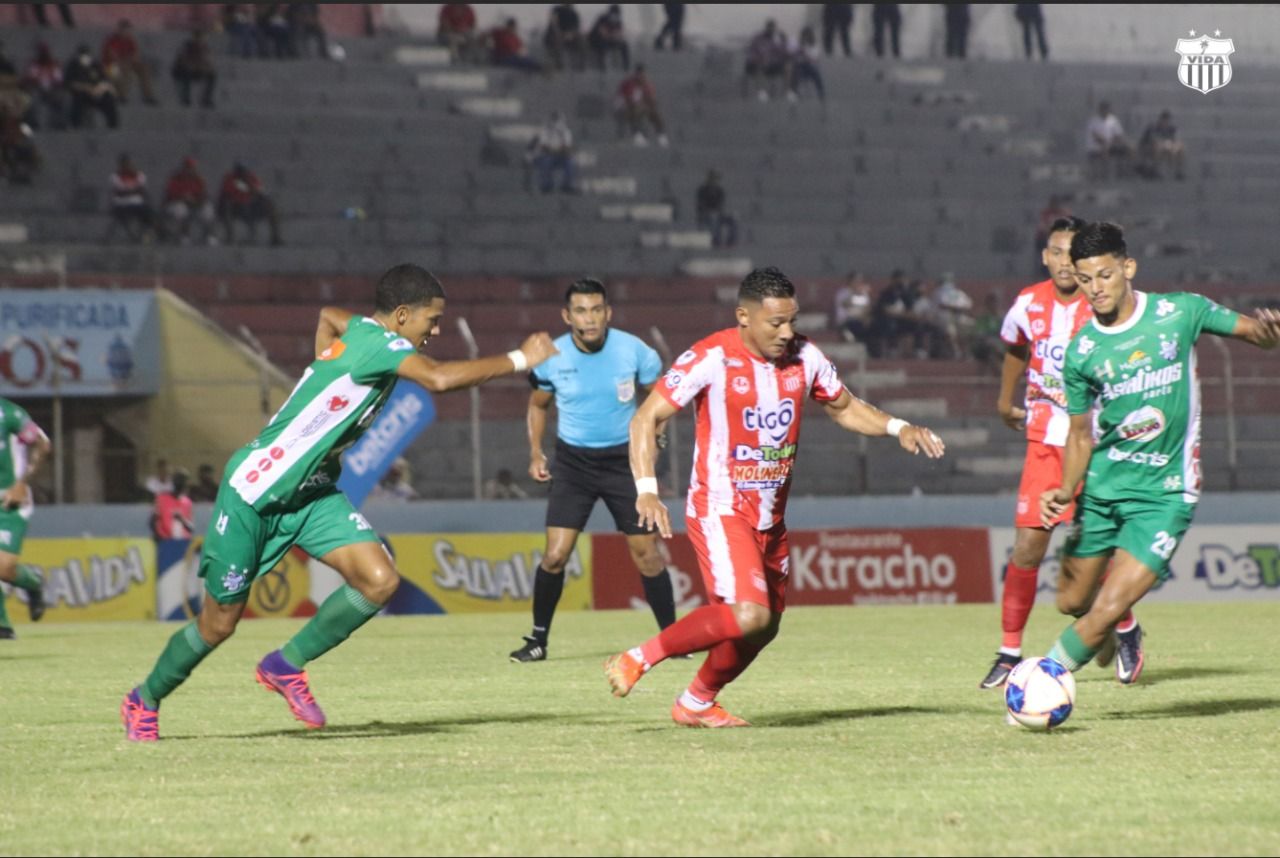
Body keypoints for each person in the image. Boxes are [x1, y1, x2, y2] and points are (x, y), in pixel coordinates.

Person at [121, 263, 559, 741]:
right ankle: (144, 698)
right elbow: (437, 380)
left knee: (379, 580)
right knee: (218, 625)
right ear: (402, 315)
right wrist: (521, 357)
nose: (435, 331)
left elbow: (329, 316)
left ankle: (285, 665)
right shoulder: (383, 345)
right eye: (431, 321)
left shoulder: (362, 332)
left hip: (310, 493)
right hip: (254, 495)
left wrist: (325, 383)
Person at [603, 267, 945, 727]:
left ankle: (696, 702)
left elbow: (844, 407)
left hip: (771, 518)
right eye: (776, 323)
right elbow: (645, 418)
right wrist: (646, 491)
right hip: (721, 507)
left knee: (764, 626)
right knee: (748, 614)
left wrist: (898, 427)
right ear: (743, 316)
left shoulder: (805, 356)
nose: (787, 332)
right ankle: (638, 658)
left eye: (792, 321)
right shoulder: (712, 357)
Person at [1038, 223, 1280, 690]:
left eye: (1105, 275)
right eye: (1085, 280)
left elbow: (1256, 333)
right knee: (1072, 602)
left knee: (1104, 608)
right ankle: (1115, 630)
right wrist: (1065, 489)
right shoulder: (1082, 351)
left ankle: (1039, 683)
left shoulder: (1181, 311)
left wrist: (1269, 335)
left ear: (1128, 267)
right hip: (1104, 487)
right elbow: (1080, 435)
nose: (1095, 288)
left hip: (1166, 494)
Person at [979, 216, 1144, 689]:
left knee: (1091, 556)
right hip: (1043, 442)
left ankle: (1126, 628)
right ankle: (1009, 652)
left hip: (1095, 443)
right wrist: (1004, 400)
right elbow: (1016, 347)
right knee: (1027, 548)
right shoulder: (1028, 303)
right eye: (1055, 252)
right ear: (1045, 256)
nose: (1064, 262)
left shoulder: (1103, 305)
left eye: (1072, 254)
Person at [510, 279, 673, 663]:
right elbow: (537, 405)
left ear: (608, 313)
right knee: (555, 555)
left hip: (624, 463)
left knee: (647, 554)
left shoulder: (635, 351)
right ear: (567, 316)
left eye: (597, 309)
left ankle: (672, 640)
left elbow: (661, 399)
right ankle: (537, 641)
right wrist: (535, 452)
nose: (590, 318)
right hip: (573, 465)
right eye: (581, 311)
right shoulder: (551, 356)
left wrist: (656, 440)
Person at [0, 398, 50, 641]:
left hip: (10, 502)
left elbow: (42, 443)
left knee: (4, 568)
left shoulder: (9, 413)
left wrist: (21, 483)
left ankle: (34, 583)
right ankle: (2, 624)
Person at [218, 162, 282, 246]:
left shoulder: (252, 178)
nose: (241, 174)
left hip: (252, 206)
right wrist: (241, 187)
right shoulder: (230, 179)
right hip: (236, 207)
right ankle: (230, 236)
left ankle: (275, 237)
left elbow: (259, 191)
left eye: (243, 172)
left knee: (270, 205)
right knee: (226, 205)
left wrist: (250, 186)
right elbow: (226, 193)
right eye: (239, 172)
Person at [101, 19, 158, 106]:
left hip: (126, 63)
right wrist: (128, 60)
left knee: (144, 68)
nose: (126, 32)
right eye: (124, 29)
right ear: (119, 30)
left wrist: (132, 60)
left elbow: (136, 55)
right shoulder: (112, 40)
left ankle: (148, 96)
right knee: (125, 70)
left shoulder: (130, 41)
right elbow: (113, 57)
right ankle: (121, 95)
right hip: (110, 66)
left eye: (128, 30)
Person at [163, 156, 217, 245]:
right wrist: (183, 197)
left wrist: (196, 200)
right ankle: (183, 235)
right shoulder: (176, 178)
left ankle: (209, 235)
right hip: (177, 203)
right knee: (180, 210)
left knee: (207, 211)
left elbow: (204, 195)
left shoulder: (198, 179)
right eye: (187, 167)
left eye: (191, 167)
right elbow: (170, 194)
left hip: (195, 204)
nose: (189, 170)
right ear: (183, 168)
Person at [64, 44, 119, 130]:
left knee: (108, 99)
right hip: (80, 93)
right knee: (77, 101)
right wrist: (85, 87)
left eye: (87, 54)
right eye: (83, 55)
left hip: (96, 92)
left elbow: (104, 80)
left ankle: (113, 125)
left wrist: (100, 88)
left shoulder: (95, 65)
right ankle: (75, 125)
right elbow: (69, 82)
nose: (85, 57)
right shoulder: (73, 65)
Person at [108, 154, 156, 243]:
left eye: (128, 163)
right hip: (121, 204)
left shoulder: (139, 175)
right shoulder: (115, 176)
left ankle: (144, 235)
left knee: (149, 213)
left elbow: (142, 190)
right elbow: (120, 191)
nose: (127, 166)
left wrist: (130, 190)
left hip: (137, 204)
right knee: (122, 215)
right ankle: (135, 236)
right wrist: (133, 190)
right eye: (124, 164)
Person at [615, 65, 668, 147]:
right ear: (636, 74)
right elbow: (624, 98)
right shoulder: (629, 84)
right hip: (627, 108)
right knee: (636, 110)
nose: (641, 76)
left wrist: (652, 102)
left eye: (643, 74)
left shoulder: (647, 85)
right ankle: (637, 135)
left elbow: (651, 98)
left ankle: (661, 135)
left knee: (655, 113)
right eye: (639, 74)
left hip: (642, 107)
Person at [20, 42, 68, 131]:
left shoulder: (54, 64)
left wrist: (53, 86)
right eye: (42, 53)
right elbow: (28, 78)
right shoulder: (34, 64)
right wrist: (36, 83)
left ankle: (61, 122)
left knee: (64, 97)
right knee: (33, 97)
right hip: (37, 90)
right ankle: (34, 122)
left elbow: (59, 80)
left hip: (52, 91)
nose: (44, 55)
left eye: (45, 53)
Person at [526, 112, 576, 194]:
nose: (556, 123)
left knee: (570, 162)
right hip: (547, 156)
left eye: (558, 120)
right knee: (546, 160)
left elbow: (567, 148)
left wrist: (561, 139)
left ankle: (566, 185)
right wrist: (556, 150)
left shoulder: (566, 132)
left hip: (560, 156)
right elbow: (544, 147)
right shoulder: (545, 131)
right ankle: (547, 185)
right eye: (554, 120)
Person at [1085, 101, 1132, 180]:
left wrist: (1112, 143)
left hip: (1109, 146)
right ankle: (1101, 176)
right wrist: (1106, 144)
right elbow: (1096, 137)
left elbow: (1118, 135)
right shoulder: (1093, 121)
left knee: (1128, 149)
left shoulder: (1113, 120)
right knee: (1104, 150)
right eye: (1103, 109)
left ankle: (1123, 174)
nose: (1105, 111)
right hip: (1095, 148)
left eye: (1107, 109)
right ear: (1100, 110)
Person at [171, 29, 217, 109]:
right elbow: (181, 60)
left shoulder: (205, 47)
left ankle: (206, 99)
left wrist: (205, 67)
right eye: (197, 37)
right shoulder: (187, 46)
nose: (199, 39)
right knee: (187, 72)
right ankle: (186, 98)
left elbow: (207, 62)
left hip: (196, 70)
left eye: (201, 37)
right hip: (182, 70)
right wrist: (191, 65)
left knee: (212, 75)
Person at [743, 20, 787, 101]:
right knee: (759, 67)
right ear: (766, 27)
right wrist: (757, 58)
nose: (771, 30)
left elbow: (780, 52)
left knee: (783, 67)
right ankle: (761, 92)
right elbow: (751, 50)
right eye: (769, 27)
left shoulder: (775, 39)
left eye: (773, 28)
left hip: (770, 63)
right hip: (756, 62)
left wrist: (782, 41)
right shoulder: (758, 38)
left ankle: (778, 92)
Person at [1138, 110, 1185, 181]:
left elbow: (1176, 139)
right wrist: (1166, 144)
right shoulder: (1153, 127)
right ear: (1160, 119)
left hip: (1167, 147)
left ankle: (1179, 171)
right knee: (1158, 146)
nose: (1165, 122)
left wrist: (1173, 145)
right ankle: (1155, 170)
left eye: (1167, 120)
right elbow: (1152, 140)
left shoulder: (1172, 128)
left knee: (1180, 147)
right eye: (1164, 120)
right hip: (1150, 147)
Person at [695, 170, 737, 248]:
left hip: (717, 214)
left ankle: (731, 241)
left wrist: (720, 212)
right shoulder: (702, 190)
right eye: (712, 179)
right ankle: (716, 241)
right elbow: (700, 205)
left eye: (715, 179)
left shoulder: (720, 191)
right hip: (705, 215)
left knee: (733, 219)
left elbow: (721, 205)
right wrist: (709, 212)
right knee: (713, 217)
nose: (714, 181)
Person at [151, 469, 195, 541]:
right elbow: (153, 522)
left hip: (183, 542)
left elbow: (191, 528)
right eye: (178, 480)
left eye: (183, 481)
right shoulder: (162, 499)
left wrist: (181, 519)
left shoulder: (187, 502)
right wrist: (160, 538)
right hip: (165, 541)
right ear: (173, 482)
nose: (180, 483)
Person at [833, 271, 872, 343]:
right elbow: (846, 304)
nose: (859, 283)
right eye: (856, 281)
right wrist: (854, 293)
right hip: (846, 321)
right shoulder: (842, 293)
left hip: (861, 320)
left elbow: (867, 308)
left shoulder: (863, 294)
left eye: (860, 281)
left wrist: (865, 317)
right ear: (850, 282)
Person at [587, 5, 629, 71]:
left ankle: (626, 66)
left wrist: (617, 36)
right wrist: (613, 35)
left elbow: (620, 33)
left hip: (609, 40)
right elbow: (602, 32)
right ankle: (602, 67)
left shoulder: (618, 21)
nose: (616, 16)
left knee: (624, 45)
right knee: (602, 44)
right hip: (596, 40)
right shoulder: (603, 18)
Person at [787, 27, 824, 102]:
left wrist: (805, 53)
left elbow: (814, 58)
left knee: (815, 73)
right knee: (796, 69)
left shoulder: (814, 45)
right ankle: (793, 91)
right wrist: (799, 50)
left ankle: (821, 92)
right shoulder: (796, 43)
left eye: (808, 35)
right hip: (799, 65)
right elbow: (791, 53)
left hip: (809, 66)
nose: (806, 37)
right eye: (804, 35)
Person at [544, 4, 586, 72]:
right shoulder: (557, 10)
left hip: (569, 35)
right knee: (556, 39)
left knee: (582, 40)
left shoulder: (573, 13)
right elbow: (553, 22)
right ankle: (559, 64)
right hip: (556, 35)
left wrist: (571, 33)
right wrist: (561, 33)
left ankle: (581, 65)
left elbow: (576, 26)